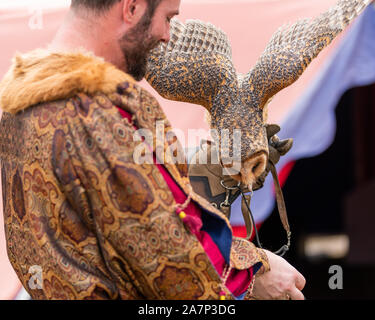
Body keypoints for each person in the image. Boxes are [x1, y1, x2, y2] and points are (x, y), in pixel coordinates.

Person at [0, 0, 305, 300]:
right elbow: (167, 253)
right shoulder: (103, 110)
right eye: (168, 18)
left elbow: (103, 217)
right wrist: (253, 272)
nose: (167, 35)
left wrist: (206, 172)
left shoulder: (21, 108)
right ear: (131, 8)